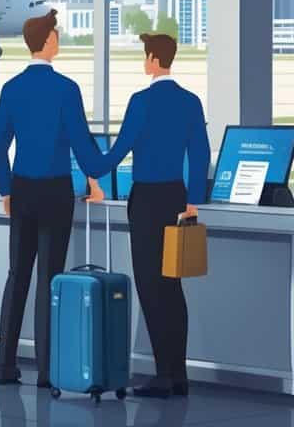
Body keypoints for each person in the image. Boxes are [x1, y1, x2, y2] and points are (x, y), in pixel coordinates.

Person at [0, 9, 109, 387]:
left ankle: (5, 366)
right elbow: (81, 145)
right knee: (49, 279)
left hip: (22, 189)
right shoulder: (65, 89)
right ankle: (46, 369)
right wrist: (97, 176)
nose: (58, 39)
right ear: (48, 41)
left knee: (17, 275)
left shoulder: (12, 88)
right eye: (56, 35)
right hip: (56, 190)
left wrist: (6, 188)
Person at [102, 33, 210, 398]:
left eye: (145, 56)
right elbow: (200, 153)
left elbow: (119, 151)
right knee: (172, 286)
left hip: (147, 199)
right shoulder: (190, 102)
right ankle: (177, 374)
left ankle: (164, 375)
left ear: (153, 58)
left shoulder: (141, 101)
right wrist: (194, 199)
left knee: (150, 286)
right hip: (177, 199)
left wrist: (91, 169)